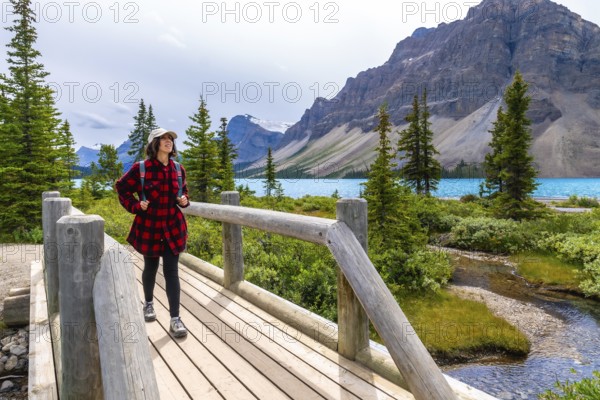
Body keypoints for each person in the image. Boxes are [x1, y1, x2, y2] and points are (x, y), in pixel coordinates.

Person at [115, 128, 190, 338]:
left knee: (172, 271)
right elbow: (121, 188)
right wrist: (136, 206)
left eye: (171, 139)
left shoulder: (178, 169)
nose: (169, 142)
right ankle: (148, 304)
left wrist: (184, 199)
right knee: (150, 266)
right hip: (150, 225)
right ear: (154, 144)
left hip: (173, 226)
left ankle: (175, 319)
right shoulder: (142, 168)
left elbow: (183, 191)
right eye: (164, 138)